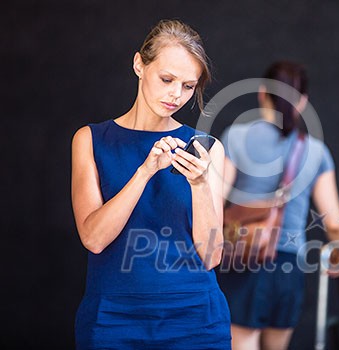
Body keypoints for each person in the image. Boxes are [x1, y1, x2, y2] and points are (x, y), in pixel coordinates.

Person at [71, 19, 231, 349]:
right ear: (139, 65)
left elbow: (212, 255)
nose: (176, 94)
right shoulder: (91, 139)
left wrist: (200, 185)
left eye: (188, 86)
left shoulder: (206, 147)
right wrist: (144, 171)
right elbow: (94, 238)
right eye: (167, 79)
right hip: (113, 318)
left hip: (196, 319)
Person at [217, 61, 339, 350]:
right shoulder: (316, 151)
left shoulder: (236, 136)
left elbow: (215, 201)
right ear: (303, 101)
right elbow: (335, 223)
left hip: (243, 258)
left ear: (263, 93)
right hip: (289, 269)